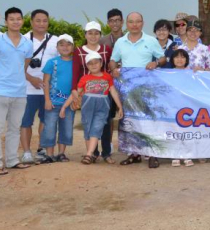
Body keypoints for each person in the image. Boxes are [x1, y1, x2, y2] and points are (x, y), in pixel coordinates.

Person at [109, 12, 166, 167]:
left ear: (143, 23)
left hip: (147, 88)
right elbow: (113, 60)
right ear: (126, 24)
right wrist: (113, 69)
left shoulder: (151, 40)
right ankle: (133, 153)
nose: (134, 24)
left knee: (149, 120)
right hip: (127, 89)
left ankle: (152, 153)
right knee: (129, 121)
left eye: (138, 21)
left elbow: (162, 58)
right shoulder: (120, 42)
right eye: (131, 22)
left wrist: (156, 63)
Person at [0, 7, 33, 175]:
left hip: (20, 92)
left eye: (19, 18)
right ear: (6, 22)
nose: (16, 22)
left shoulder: (28, 44)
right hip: (0, 92)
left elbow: (23, 66)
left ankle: (12, 160)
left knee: (15, 128)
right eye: (12, 19)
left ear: (22, 21)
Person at [61, 51, 124, 165]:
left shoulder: (107, 77)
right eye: (90, 63)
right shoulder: (84, 78)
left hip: (103, 107)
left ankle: (89, 154)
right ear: (86, 66)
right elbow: (75, 94)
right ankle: (91, 154)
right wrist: (64, 107)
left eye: (96, 62)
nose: (94, 65)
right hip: (88, 107)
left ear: (101, 63)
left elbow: (113, 92)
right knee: (88, 130)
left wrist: (120, 106)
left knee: (96, 128)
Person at [20, 9, 58, 164]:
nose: (41, 24)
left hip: (48, 90)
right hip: (26, 89)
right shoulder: (23, 40)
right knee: (25, 121)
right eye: (38, 20)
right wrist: (30, 79)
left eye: (45, 20)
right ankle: (26, 152)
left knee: (46, 120)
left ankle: (42, 148)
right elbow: (15, 65)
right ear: (31, 22)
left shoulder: (56, 41)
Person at [72, 21, 114, 162]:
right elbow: (76, 72)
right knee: (89, 123)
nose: (93, 36)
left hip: (104, 94)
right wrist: (74, 90)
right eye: (90, 33)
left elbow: (109, 68)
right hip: (87, 94)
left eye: (96, 33)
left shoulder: (106, 49)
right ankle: (93, 153)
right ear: (85, 34)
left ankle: (106, 153)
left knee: (106, 123)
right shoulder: (78, 51)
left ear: (100, 35)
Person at [38, 34, 76, 164]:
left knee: (66, 128)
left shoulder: (76, 63)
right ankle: (49, 155)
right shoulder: (52, 63)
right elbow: (46, 82)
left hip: (69, 103)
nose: (65, 47)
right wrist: (47, 100)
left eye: (68, 44)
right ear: (57, 47)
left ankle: (61, 153)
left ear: (73, 46)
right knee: (49, 128)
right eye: (61, 44)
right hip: (53, 103)